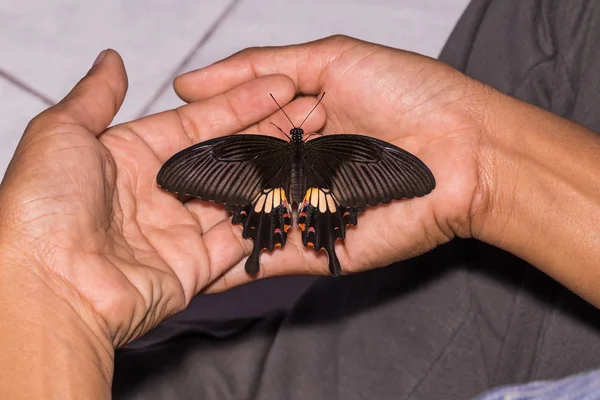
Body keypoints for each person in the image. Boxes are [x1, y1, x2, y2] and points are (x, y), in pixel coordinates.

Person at [2, 0, 600, 398]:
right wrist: (481, 162)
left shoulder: (246, 155)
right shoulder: (344, 152)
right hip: (328, 197)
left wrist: (51, 300)